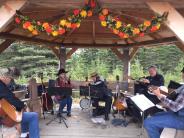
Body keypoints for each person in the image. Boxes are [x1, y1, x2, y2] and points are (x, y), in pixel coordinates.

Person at [144, 67, 184, 138]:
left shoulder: (160, 77)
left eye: (182, 73)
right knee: (155, 114)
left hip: (181, 119)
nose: (182, 75)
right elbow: (175, 94)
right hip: (178, 113)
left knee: (147, 122)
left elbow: (175, 107)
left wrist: (159, 95)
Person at [0, 69, 40, 138]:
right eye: (10, 78)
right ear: (5, 77)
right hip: (5, 118)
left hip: (3, 114)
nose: (10, 81)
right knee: (33, 116)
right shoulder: (1, 86)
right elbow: (11, 98)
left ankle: (24, 134)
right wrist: (23, 106)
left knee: (21, 111)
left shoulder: (2, 85)